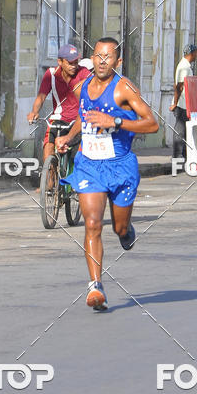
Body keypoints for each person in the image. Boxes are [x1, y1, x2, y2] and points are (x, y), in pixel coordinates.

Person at [56, 38, 159, 311]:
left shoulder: (124, 88)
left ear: (118, 61)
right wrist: (69, 135)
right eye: (99, 56)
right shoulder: (84, 86)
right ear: (93, 57)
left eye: (109, 57)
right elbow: (83, 115)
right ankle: (95, 287)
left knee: (119, 227)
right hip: (89, 165)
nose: (102, 61)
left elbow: (152, 123)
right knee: (92, 224)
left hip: (120, 166)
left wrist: (114, 121)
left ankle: (126, 232)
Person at [27, 44, 91, 160]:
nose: (74, 66)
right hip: (58, 119)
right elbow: (41, 96)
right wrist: (34, 112)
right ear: (60, 62)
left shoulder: (83, 73)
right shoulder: (51, 74)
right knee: (48, 148)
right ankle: (49, 176)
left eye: (76, 62)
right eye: (70, 63)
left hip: (78, 121)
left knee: (78, 157)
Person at [170, 44, 197, 161]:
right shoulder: (184, 67)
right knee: (180, 130)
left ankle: (183, 155)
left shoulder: (186, 66)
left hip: (185, 103)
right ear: (191, 53)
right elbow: (179, 86)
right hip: (181, 103)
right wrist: (175, 103)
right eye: (196, 52)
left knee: (185, 130)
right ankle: (177, 156)